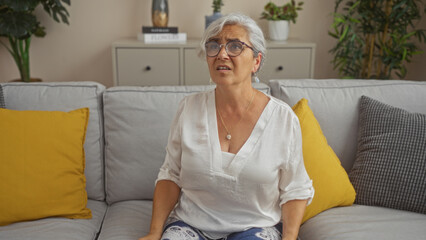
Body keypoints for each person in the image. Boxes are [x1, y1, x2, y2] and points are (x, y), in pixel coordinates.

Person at [139, 13, 314, 240]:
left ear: (256, 61)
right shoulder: (188, 108)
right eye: (214, 46)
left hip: (255, 228)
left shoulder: (283, 119)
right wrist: (154, 233)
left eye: (235, 46)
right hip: (191, 225)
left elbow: (295, 189)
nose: (222, 53)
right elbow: (170, 175)